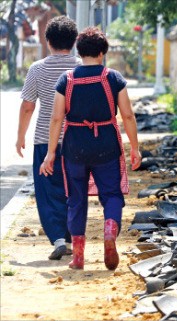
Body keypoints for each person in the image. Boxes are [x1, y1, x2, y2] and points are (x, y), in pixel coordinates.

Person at [39, 27, 141, 271]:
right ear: (103, 52)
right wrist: (135, 148)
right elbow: (127, 115)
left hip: (74, 147)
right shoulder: (112, 78)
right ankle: (109, 229)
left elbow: (56, 119)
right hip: (107, 145)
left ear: (79, 50)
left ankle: (78, 258)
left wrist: (51, 153)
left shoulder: (67, 79)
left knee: (75, 199)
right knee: (112, 195)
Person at [16, 16, 80, 260]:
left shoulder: (38, 69)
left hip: (45, 140)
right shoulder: (81, 68)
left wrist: (21, 135)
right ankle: (73, 236)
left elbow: (28, 106)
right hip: (78, 141)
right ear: (74, 41)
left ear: (48, 41)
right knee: (74, 189)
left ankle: (59, 239)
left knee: (48, 191)